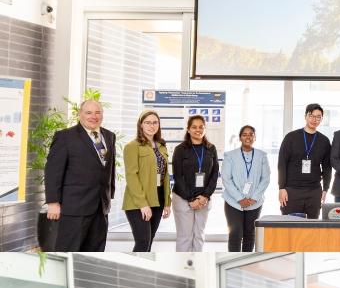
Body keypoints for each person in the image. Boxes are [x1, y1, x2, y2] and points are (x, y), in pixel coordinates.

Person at [45, 99, 116, 251]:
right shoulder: (65, 137)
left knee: (96, 251)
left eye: (98, 112)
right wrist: (53, 202)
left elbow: (109, 169)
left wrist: (110, 195)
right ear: (80, 114)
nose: (93, 116)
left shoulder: (109, 136)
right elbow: (52, 171)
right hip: (74, 208)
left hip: (100, 207)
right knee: (69, 250)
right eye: (88, 112)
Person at [122, 110, 171, 252]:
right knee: (143, 241)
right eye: (147, 122)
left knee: (149, 241)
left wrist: (167, 202)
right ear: (141, 125)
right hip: (138, 202)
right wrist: (142, 204)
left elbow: (165, 175)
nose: (152, 126)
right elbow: (131, 176)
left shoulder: (161, 146)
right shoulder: (132, 146)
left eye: (155, 122)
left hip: (158, 197)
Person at [171, 115, 218, 251]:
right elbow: (178, 176)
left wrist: (205, 196)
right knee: (185, 237)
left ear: (205, 128)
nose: (198, 130)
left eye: (201, 127)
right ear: (188, 129)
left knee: (199, 236)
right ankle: (181, 267)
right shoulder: (180, 149)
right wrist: (191, 199)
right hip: (183, 198)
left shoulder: (211, 149)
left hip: (204, 199)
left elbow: (214, 174)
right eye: (194, 127)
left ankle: (197, 264)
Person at [279, 104, 332, 219]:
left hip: (314, 192)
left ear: (322, 119)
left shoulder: (324, 141)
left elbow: (327, 167)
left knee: (311, 230)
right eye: (311, 115)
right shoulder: (291, 137)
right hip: (292, 191)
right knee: (291, 227)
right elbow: (282, 163)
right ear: (305, 116)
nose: (314, 119)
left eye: (318, 117)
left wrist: (325, 189)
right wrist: (281, 188)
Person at [222, 125, 270, 251]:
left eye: (251, 134)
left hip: (255, 202)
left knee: (250, 234)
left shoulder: (262, 156)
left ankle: (245, 260)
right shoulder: (230, 156)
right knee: (235, 233)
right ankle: (234, 259)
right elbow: (226, 179)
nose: (248, 137)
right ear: (240, 138)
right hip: (233, 202)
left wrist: (254, 198)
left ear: (255, 137)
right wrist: (239, 198)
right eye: (244, 134)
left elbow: (265, 179)